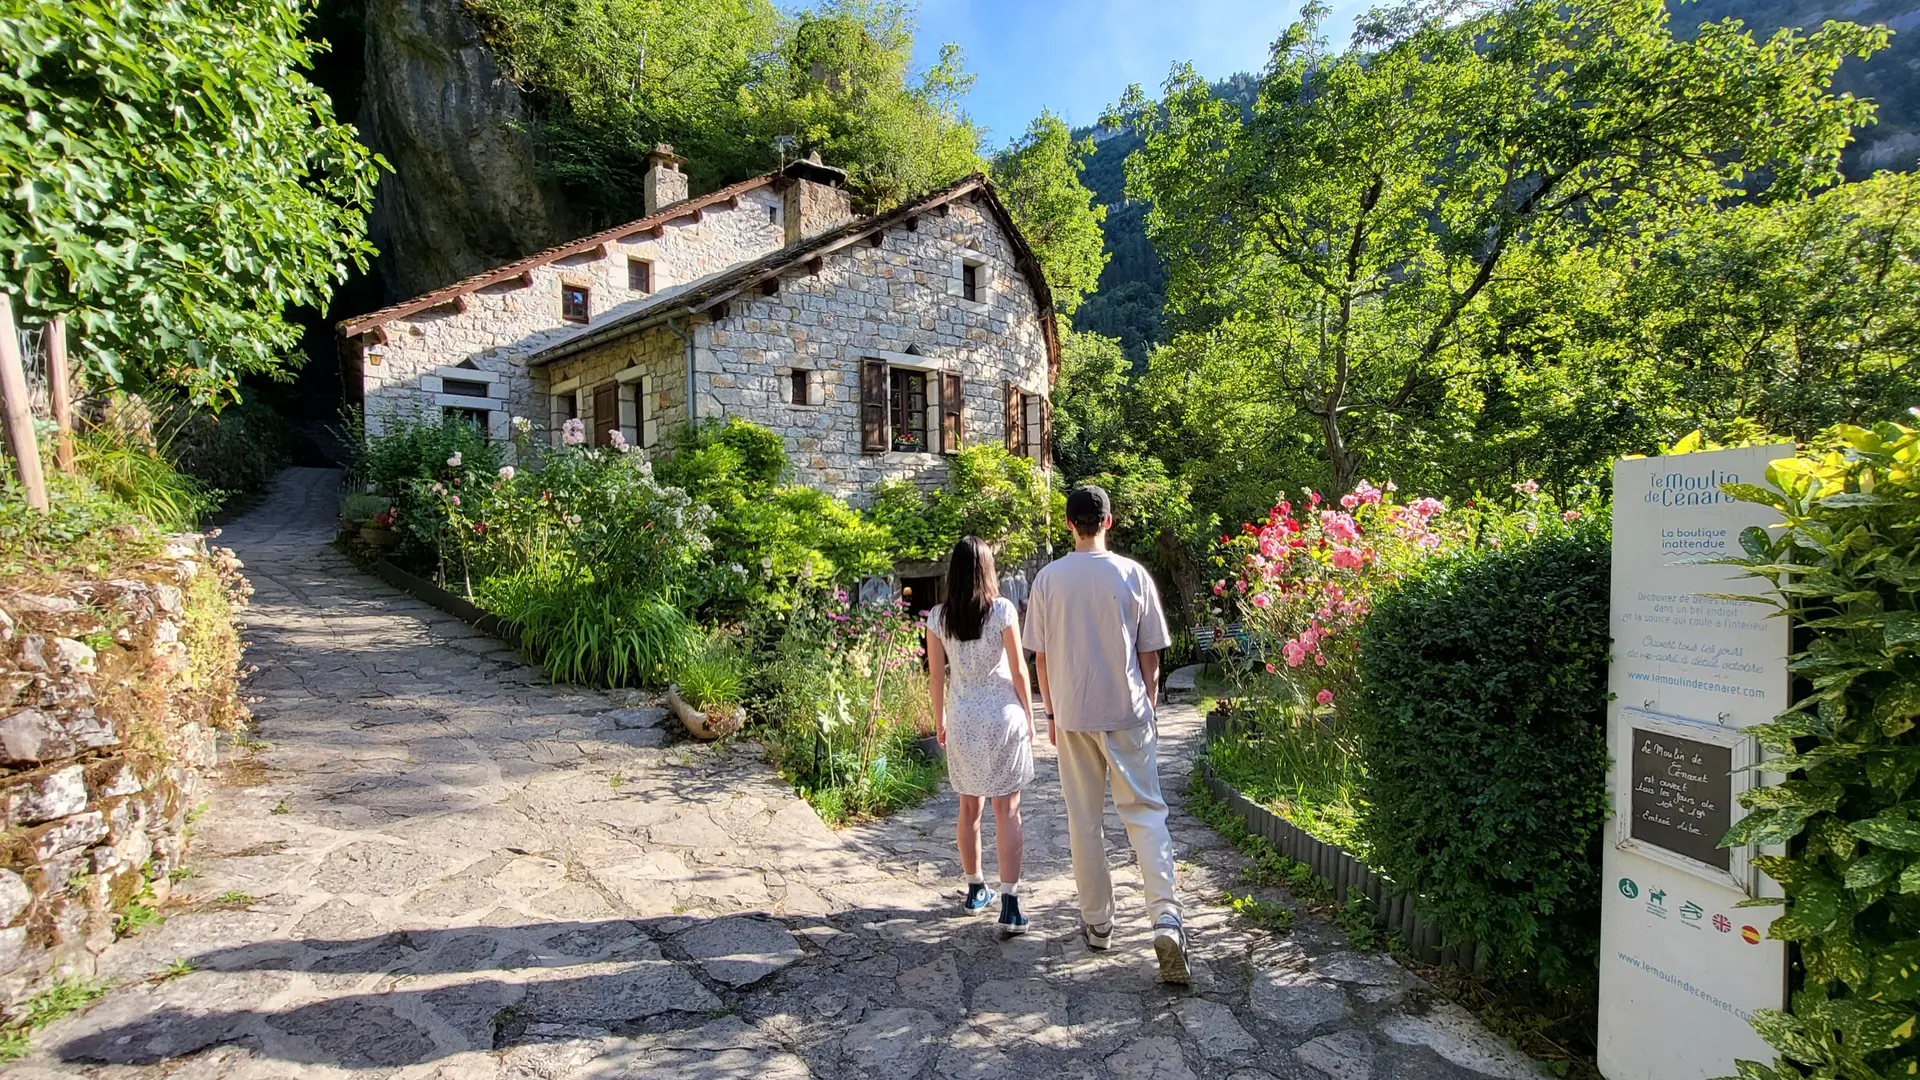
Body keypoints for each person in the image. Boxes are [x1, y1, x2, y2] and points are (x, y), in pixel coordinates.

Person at [1025, 485, 1187, 983]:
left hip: (1073, 715)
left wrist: (1050, 715)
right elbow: (1150, 654)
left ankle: (1098, 924)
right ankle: (1165, 917)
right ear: (1109, 522)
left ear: (1069, 523)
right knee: (1145, 814)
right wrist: (1149, 702)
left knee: (1084, 821)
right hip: (1128, 712)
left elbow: (1043, 659)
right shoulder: (1133, 574)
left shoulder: (1048, 580)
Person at [926, 535, 1038, 934]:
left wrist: (938, 717)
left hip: (963, 719)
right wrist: (1030, 714)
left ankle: (975, 888)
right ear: (988, 570)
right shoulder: (1003, 610)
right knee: (1007, 810)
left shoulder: (938, 618)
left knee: (968, 809)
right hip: (1002, 715)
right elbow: (1019, 669)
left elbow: (936, 674)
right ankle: (1010, 904)